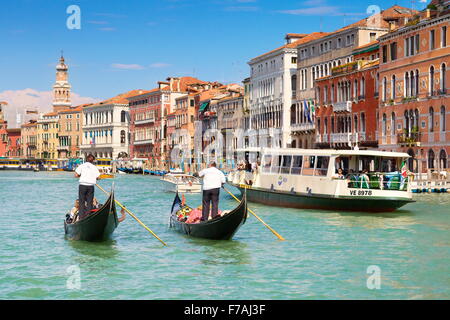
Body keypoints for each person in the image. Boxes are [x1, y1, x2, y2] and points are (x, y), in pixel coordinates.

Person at [75, 154, 101, 220]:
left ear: (86, 159)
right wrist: (95, 178)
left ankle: (81, 218)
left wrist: (81, 176)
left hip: (82, 186)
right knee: (89, 202)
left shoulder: (82, 166)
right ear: (93, 160)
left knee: (81, 202)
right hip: (90, 186)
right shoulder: (94, 167)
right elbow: (98, 177)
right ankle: (88, 217)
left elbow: (76, 175)